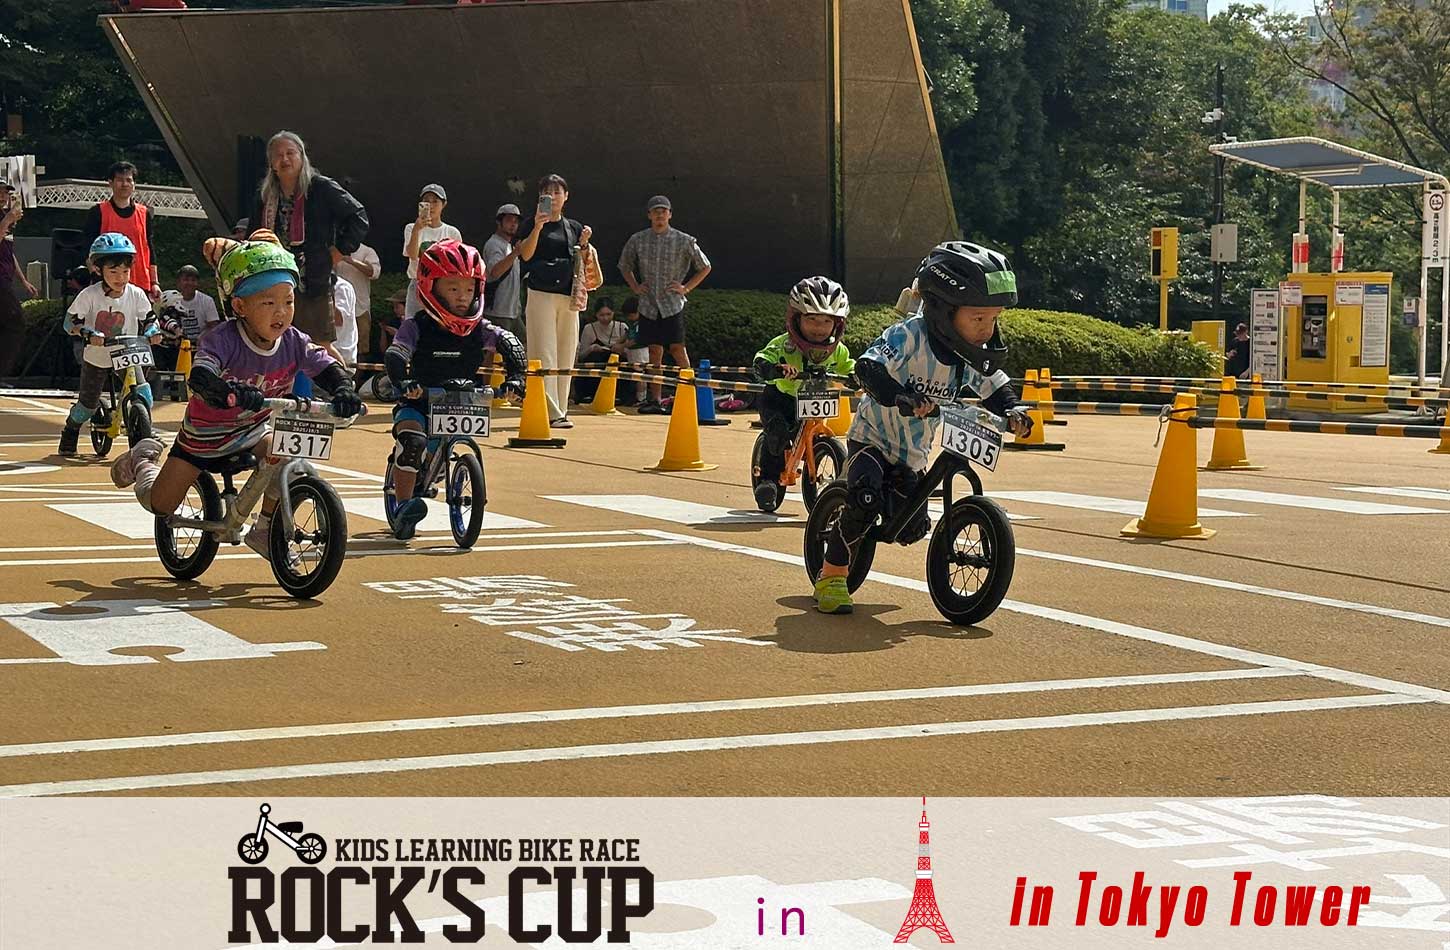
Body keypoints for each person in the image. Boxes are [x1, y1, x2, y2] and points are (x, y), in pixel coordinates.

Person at [813, 242, 1033, 615]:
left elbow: (995, 386)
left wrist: (1013, 409)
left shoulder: (968, 352)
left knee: (911, 528)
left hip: (912, 454)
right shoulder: (909, 336)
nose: (987, 330)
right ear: (944, 310)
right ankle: (831, 576)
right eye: (978, 318)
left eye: (993, 319)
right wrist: (898, 395)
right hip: (873, 440)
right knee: (864, 500)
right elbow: (869, 367)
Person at [108, 238, 361, 560]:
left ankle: (264, 528)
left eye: (288, 301)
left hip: (251, 432)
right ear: (240, 307)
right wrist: (228, 392)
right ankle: (142, 462)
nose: (281, 312)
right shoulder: (222, 340)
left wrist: (343, 388)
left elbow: (324, 365)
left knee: (286, 455)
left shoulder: (294, 341)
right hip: (203, 438)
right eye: (268, 303)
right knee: (160, 504)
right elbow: (201, 376)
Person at [384, 239, 525, 540]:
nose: (463, 296)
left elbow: (510, 343)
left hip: (460, 401)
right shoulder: (416, 326)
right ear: (431, 288)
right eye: (453, 288)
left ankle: (453, 472)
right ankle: (404, 507)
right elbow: (396, 354)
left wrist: (516, 379)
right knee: (412, 441)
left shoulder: (480, 329)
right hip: (418, 400)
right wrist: (403, 382)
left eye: (469, 289)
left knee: (449, 444)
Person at [249, 130, 369, 349]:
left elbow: (358, 217)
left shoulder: (321, 187)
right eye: (278, 155)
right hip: (274, 281)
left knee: (319, 346)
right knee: (274, 344)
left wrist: (339, 251)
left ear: (302, 156)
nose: (285, 159)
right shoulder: (265, 195)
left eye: (290, 153)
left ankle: (338, 374)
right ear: (271, 163)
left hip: (312, 280)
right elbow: (253, 236)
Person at [751, 277, 856, 511]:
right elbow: (762, 360)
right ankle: (768, 481)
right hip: (779, 399)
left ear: (837, 323)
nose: (819, 328)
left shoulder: (837, 350)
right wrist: (774, 368)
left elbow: (849, 366)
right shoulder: (784, 345)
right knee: (777, 435)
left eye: (826, 321)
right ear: (796, 319)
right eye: (811, 319)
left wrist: (859, 376)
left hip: (813, 401)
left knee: (812, 433)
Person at [58, 233, 161, 456]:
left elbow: (150, 318)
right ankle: (70, 430)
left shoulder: (136, 294)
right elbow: (69, 322)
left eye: (125, 271)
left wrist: (153, 331)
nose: (120, 278)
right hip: (97, 356)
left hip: (127, 353)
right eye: (113, 272)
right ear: (98, 270)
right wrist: (87, 333)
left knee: (143, 392)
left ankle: (146, 430)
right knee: (87, 406)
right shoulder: (89, 295)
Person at [618, 195, 712, 414]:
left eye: (663, 211)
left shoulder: (684, 239)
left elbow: (705, 266)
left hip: (672, 303)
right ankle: (656, 400)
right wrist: (635, 286)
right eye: (655, 211)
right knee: (654, 351)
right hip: (648, 304)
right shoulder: (638, 239)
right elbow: (624, 265)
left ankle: (690, 397)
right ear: (649, 215)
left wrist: (686, 287)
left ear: (670, 214)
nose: (659, 215)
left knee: (678, 348)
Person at [516, 174, 593, 428]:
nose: (553, 197)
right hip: (541, 294)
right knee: (543, 350)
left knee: (566, 351)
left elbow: (581, 260)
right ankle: (549, 410)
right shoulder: (530, 224)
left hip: (567, 295)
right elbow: (525, 255)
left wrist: (584, 245)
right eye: (547, 193)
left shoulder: (573, 227)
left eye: (558, 192)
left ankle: (561, 407)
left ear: (566, 196)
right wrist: (538, 227)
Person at [404, 183, 462, 316]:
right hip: (418, 284)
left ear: (444, 204)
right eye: (426, 201)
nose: (430, 205)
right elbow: (412, 255)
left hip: (443, 286)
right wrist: (417, 230)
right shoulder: (411, 228)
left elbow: (457, 264)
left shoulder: (452, 232)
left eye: (435, 201)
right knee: (412, 323)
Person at [0, 179, 39, 380]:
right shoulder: (5, 220)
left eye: (5, 192)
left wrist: (23, 280)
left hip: (5, 279)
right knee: (16, 322)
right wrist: (7, 220)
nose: (2, 196)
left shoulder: (4, 218)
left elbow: (9, 252)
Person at [155, 264, 221, 368]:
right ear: (178, 282)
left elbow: (214, 325)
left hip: (200, 347)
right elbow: (164, 319)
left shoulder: (207, 301)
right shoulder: (171, 299)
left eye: (193, 280)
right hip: (174, 346)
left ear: (197, 283)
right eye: (185, 279)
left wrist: (202, 337)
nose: (189, 283)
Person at [574, 298, 630, 403]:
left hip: (616, 361)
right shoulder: (589, 328)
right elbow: (581, 355)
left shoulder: (621, 327)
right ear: (596, 315)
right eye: (602, 315)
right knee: (594, 359)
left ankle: (619, 395)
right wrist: (592, 348)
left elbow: (630, 352)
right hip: (596, 362)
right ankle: (590, 394)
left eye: (608, 314)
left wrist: (621, 348)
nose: (605, 318)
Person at [334, 238, 381, 360]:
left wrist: (351, 261)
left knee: (362, 346)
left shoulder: (367, 251)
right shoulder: (335, 250)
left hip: (360, 307)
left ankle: (358, 372)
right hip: (338, 305)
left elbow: (374, 273)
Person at [483, 203, 524, 341]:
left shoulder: (510, 246)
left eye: (516, 221)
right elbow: (495, 272)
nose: (513, 224)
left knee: (525, 343)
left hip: (512, 312)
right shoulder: (493, 244)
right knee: (498, 349)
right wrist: (515, 253)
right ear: (499, 222)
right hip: (497, 312)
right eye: (508, 220)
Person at [619, 296, 649, 406]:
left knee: (640, 374)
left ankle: (641, 398)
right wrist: (618, 343)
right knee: (635, 374)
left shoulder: (641, 324)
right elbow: (627, 334)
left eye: (631, 315)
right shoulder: (633, 323)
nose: (629, 318)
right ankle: (636, 397)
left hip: (640, 351)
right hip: (632, 352)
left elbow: (636, 339)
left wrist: (622, 346)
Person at [332, 272, 359, 369]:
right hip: (316, 355)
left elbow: (338, 320)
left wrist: (326, 293)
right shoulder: (305, 287)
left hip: (341, 357)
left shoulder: (342, 287)